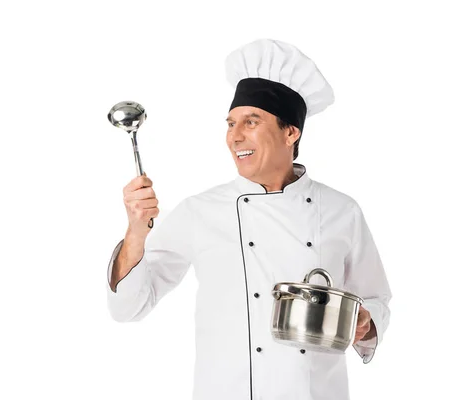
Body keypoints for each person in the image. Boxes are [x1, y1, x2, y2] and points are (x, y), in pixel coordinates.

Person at [105, 38, 392, 400]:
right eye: (230, 123)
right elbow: (129, 307)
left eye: (251, 121)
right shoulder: (200, 211)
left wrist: (365, 323)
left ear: (291, 132)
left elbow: (376, 299)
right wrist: (135, 233)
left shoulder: (341, 210)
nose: (234, 136)